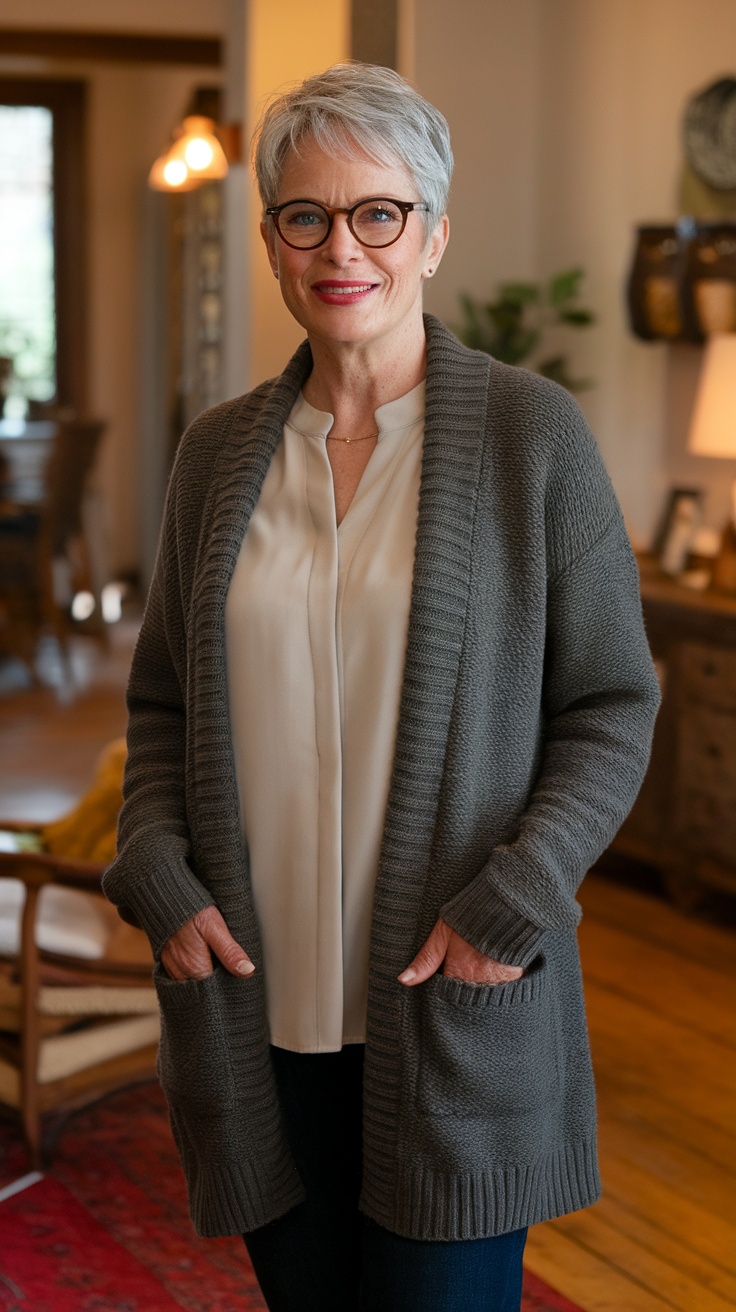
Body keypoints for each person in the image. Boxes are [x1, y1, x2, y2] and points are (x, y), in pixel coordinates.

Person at [103, 62, 660, 1312]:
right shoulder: (216, 455)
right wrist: (158, 872)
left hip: (453, 1007)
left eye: (377, 213)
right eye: (305, 216)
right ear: (271, 241)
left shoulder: (532, 438)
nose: (339, 246)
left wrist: (515, 899)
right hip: (254, 1002)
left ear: (433, 233)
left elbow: (612, 706)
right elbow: (161, 705)